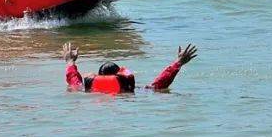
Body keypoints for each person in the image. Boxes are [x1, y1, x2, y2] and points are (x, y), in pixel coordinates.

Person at [62, 42, 198, 94]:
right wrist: (178, 63)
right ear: (119, 75)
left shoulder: (87, 88)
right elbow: (160, 84)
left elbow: (73, 79)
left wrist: (70, 61)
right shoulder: (129, 89)